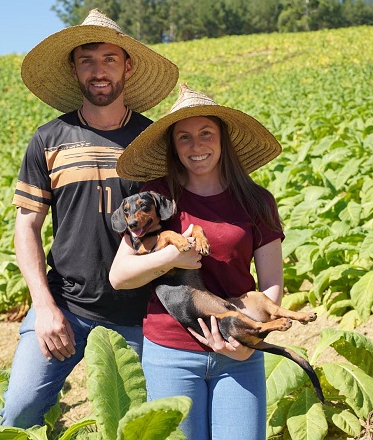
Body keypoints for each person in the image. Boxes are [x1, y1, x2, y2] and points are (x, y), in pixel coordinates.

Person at [1, 9, 178, 429]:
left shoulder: (152, 140)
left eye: (109, 59)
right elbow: (26, 226)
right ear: (74, 69)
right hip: (66, 306)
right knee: (18, 413)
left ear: (127, 66)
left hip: (140, 312)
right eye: (87, 60)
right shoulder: (48, 139)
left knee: (142, 428)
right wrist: (44, 307)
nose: (99, 71)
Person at [110, 83, 284, 440]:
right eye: (184, 137)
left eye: (206, 133)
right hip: (171, 352)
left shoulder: (257, 200)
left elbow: (271, 282)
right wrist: (172, 256)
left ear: (223, 141)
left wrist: (245, 339)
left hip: (238, 355)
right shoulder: (155, 199)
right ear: (173, 148)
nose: (196, 145)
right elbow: (120, 275)